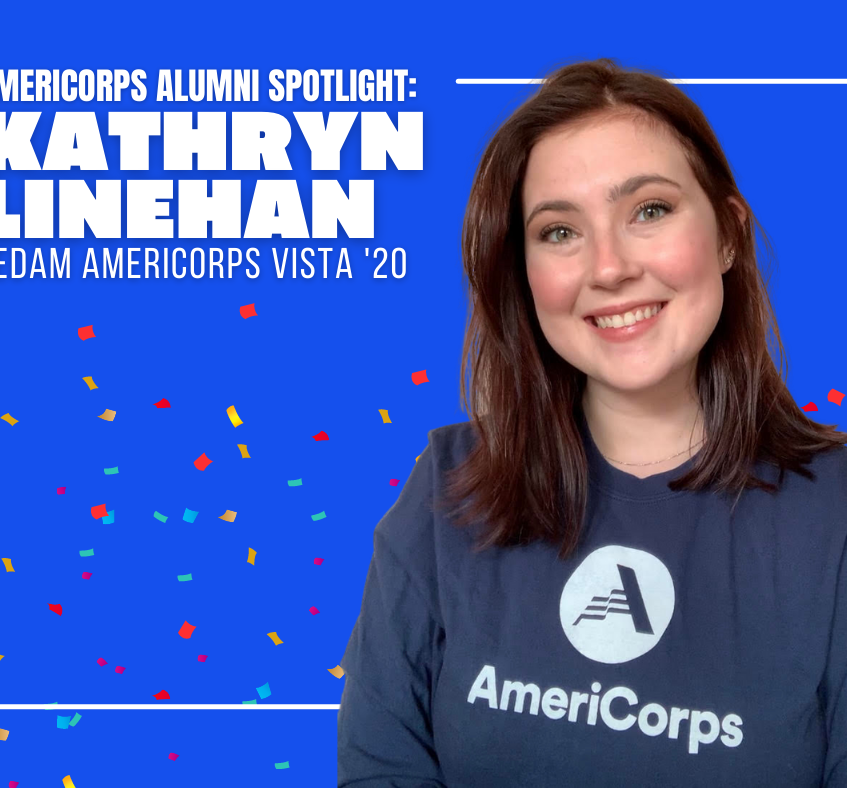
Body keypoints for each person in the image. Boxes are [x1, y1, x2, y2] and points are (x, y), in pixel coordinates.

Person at [336, 57, 847, 787]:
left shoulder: (836, 512)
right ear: (524, 272)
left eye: (649, 210)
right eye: (559, 232)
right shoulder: (448, 488)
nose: (607, 269)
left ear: (729, 236)